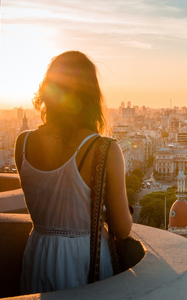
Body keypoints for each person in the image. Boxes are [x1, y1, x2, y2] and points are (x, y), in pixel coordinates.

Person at [15, 51, 132, 294]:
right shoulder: (105, 149)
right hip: (85, 259)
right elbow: (122, 229)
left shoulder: (22, 144)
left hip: (38, 253)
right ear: (90, 97)